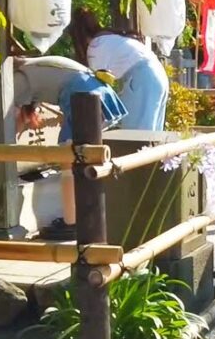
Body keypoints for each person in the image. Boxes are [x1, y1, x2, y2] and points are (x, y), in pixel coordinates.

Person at [12, 55, 128, 239]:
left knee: (67, 158)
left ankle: (71, 222)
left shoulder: (19, 77)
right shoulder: (38, 66)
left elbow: (11, 117)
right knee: (85, 158)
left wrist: (6, 147)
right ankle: (85, 217)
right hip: (96, 90)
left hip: (81, 95)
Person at [69, 8, 169, 132]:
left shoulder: (95, 47)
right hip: (158, 75)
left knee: (136, 137)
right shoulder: (110, 38)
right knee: (152, 136)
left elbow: (96, 89)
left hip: (142, 79)